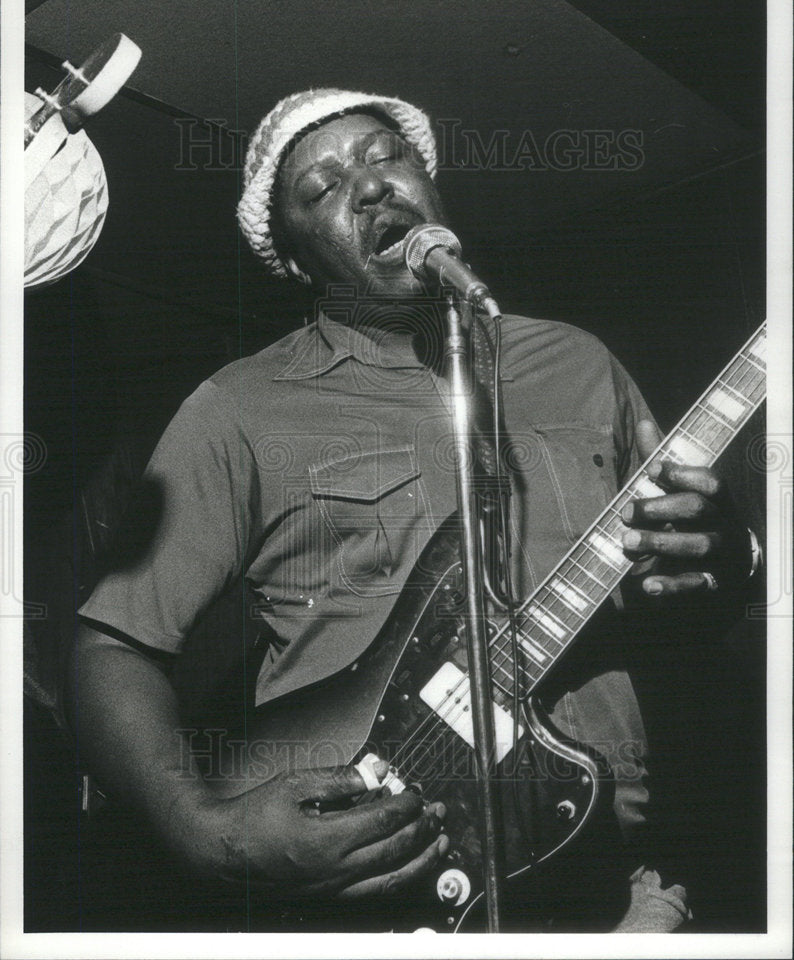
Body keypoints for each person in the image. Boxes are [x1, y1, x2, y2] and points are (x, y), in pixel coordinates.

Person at [68, 88, 758, 932]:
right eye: (320, 190)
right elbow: (110, 647)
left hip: (619, 878)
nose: (366, 187)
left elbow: (677, 598)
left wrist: (730, 560)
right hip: (385, 890)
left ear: (429, 183)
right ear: (294, 258)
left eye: (383, 155)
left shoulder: (579, 361)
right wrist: (208, 834)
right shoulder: (238, 410)